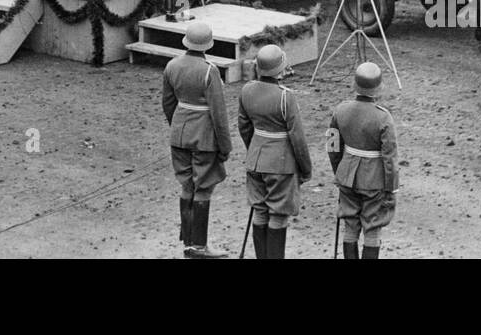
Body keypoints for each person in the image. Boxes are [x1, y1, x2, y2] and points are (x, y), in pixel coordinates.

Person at [162, 21, 231, 259]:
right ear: (207, 45)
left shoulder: (171, 65)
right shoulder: (209, 70)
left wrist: (178, 127)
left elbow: (168, 103)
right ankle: (199, 246)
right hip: (204, 137)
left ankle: (188, 238)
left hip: (179, 133)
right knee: (203, 187)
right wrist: (225, 146)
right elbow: (219, 114)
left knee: (186, 184)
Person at [237, 44, 312, 260]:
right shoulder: (285, 97)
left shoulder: (247, 90)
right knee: (278, 214)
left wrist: (255, 150)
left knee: (260, 210)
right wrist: (305, 169)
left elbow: (244, 127)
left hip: (255, 160)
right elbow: (297, 138)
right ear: (280, 69)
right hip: (281, 164)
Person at [327, 62, 397, 259]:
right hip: (374, 180)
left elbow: (332, 146)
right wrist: (391, 188)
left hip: (347, 176)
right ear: (377, 89)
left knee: (350, 226)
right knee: (372, 228)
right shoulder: (384, 117)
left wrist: (340, 170)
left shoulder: (340, 110)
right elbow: (390, 158)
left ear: (355, 85)